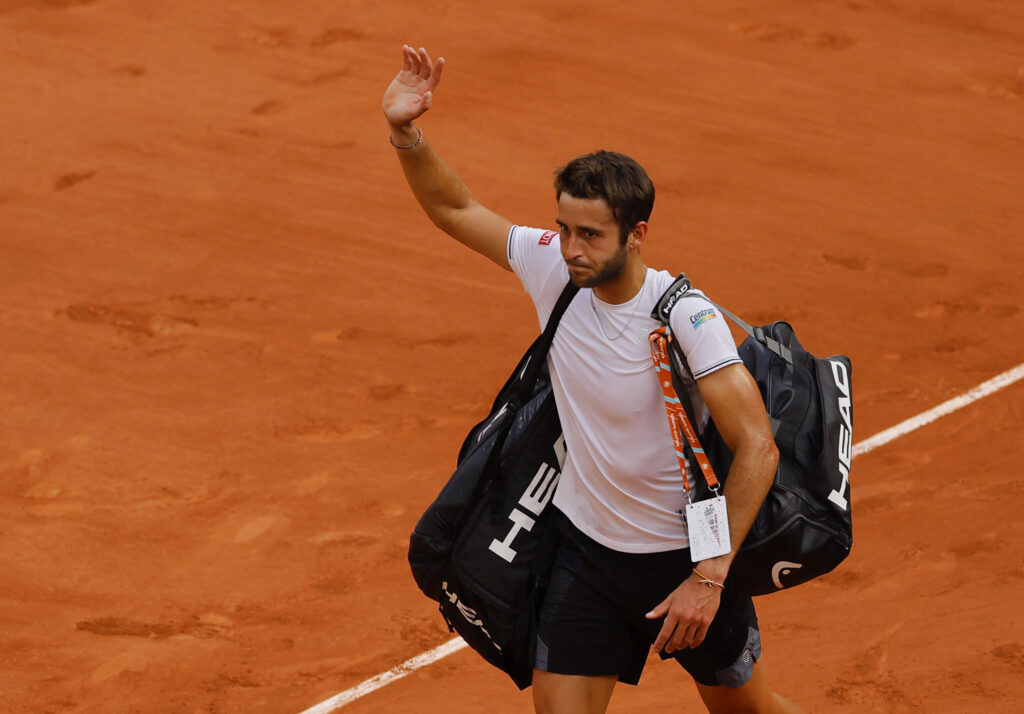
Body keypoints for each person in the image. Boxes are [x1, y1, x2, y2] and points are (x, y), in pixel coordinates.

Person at [382, 45, 805, 714]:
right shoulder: (557, 272)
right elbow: (456, 210)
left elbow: (757, 446)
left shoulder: (687, 319)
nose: (572, 249)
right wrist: (406, 133)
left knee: (746, 711)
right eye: (564, 229)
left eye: (591, 235)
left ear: (637, 234)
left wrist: (710, 574)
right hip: (586, 555)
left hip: (686, 557)